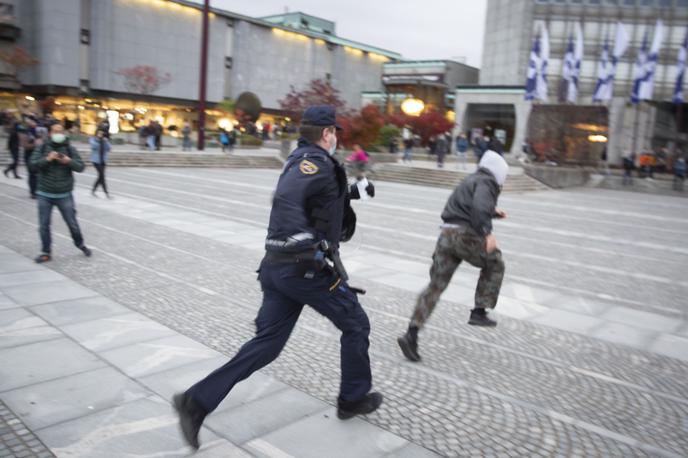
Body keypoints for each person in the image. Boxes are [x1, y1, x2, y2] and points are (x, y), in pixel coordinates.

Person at [173, 106, 381, 451]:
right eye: (336, 133)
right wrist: (304, 246)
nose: (338, 138)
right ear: (328, 133)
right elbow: (288, 197)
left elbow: (319, 198)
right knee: (356, 324)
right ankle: (352, 398)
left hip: (279, 269)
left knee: (266, 345)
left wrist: (354, 191)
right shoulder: (310, 162)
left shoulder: (306, 158)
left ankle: (196, 402)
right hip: (302, 268)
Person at [397, 150, 508, 362]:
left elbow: (466, 207)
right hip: (465, 236)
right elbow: (478, 207)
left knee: (435, 286)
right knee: (495, 263)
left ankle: (411, 334)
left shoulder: (470, 179)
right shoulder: (488, 181)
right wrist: (488, 233)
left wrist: (493, 212)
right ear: (499, 171)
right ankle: (479, 311)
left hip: (446, 236)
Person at [30, 124, 91, 263]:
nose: (58, 133)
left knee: (72, 223)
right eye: (55, 131)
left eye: (60, 131)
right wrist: (47, 159)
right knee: (44, 225)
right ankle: (46, 252)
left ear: (63, 133)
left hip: (64, 194)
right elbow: (32, 166)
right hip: (44, 193)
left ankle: (80, 244)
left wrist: (69, 161)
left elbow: (80, 167)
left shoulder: (70, 148)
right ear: (50, 133)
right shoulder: (42, 147)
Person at [89, 129, 111, 198]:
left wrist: (106, 142)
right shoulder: (92, 139)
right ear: (96, 134)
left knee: (100, 177)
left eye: (102, 134)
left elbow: (109, 149)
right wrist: (99, 141)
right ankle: (106, 193)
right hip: (96, 161)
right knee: (102, 176)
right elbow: (94, 146)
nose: (100, 135)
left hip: (103, 161)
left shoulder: (104, 141)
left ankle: (93, 190)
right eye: (99, 133)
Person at [23, 118, 38, 198]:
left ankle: (37, 191)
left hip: (37, 155)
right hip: (29, 156)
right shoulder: (26, 133)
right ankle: (33, 192)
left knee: (37, 175)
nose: (34, 123)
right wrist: (35, 144)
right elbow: (25, 146)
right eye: (32, 121)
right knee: (32, 174)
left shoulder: (37, 132)